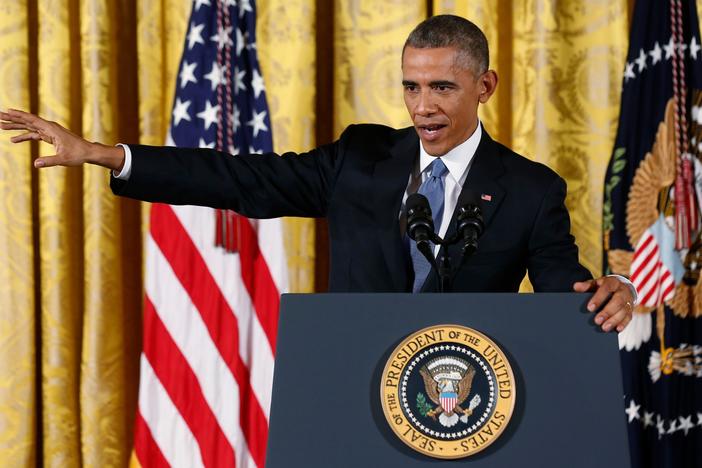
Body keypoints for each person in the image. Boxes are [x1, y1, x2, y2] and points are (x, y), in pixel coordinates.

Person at [0, 15, 635, 332]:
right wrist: (107, 155)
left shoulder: (531, 187)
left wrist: (609, 293)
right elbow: (240, 180)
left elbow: (563, 288)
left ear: (485, 86)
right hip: (351, 389)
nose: (423, 106)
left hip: (467, 403)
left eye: (442, 86)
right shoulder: (360, 159)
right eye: (411, 87)